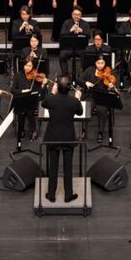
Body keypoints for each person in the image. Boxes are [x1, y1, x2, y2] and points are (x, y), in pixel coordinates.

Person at [42, 74, 83, 202]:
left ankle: (51, 195)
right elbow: (80, 112)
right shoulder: (74, 101)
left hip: (53, 136)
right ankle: (68, 195)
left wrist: (52, 92)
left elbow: (43, 104)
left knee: (53, 166)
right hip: (68, 137)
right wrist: (78, 98)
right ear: (69, 88)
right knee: (68, 167)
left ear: (57, 87)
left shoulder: (50, 99)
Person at [79, 54, 117, 143]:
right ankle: (83, 131)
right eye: (98, 63)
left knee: (101, 110)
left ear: (105, 63)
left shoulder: (108, 71)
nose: (100, 65)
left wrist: (111, 86)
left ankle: (100, 132)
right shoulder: (89, 70)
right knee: (86, 108)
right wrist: (86, 83)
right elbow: (79, 79)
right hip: (90, 95)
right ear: (95, 63)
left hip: (102, 96)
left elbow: (113, 83)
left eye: (102, 63)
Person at [11, 58, 49, 141]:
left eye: (30, 66)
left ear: (33, 67)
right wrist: (22, 91)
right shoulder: (18, 75)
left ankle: (33, 130)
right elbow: (13, 90)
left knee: (30, 111)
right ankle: (21, 130)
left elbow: (39, 92)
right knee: (21, 111)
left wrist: (43, 85)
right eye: (26, 65)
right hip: (21, 99)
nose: (28, 67)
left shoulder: (35, 77)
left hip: (32, 100)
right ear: (23, 65)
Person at [59, 6, 91, 76]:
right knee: (62, 55)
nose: (76, 16)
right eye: (75, 14)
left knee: (86, 55)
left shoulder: (85, 24)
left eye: (78, 14)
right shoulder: (66, 23)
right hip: (68, 48)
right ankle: (65, 74)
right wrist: (71, 30)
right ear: (72, 15)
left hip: (81, 48)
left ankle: (83, 75)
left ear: (81, 15)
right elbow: (62, 35)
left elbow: (89, 36)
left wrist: (82, 31)